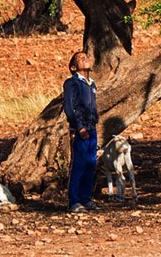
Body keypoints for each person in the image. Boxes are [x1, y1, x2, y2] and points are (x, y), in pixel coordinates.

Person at [62, 50, 99, 212]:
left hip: (92, 129)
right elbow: (70, 108)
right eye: (81, 59)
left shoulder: (91, 84)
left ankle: (86, 198)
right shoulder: (72, 83)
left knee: (91, 164)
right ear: (73, 67)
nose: (85, 60)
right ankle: (74, 201)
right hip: (80, 130)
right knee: (79, 165)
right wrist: (79, 127)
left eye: (86, 57)